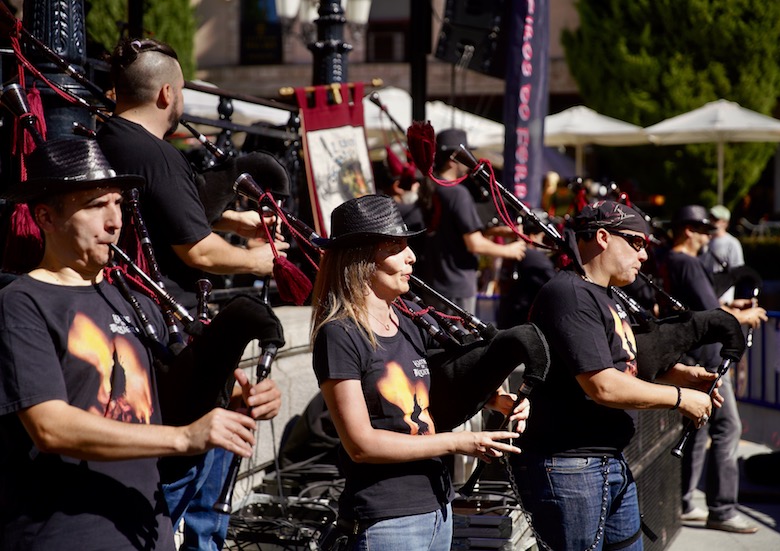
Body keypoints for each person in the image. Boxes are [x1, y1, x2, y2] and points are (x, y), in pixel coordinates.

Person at [0, 138, 279, 550]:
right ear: (45, 216)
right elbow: (51, 427)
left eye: (117, 203)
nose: (115, 221)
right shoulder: (20, 303)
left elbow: (167, 396)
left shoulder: (136, 302)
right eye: (96, 205)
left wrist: (237, 396)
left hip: (148, 532)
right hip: (62, 534)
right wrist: (184, 437)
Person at [95, 37, 288, 550]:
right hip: (161, 336)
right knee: (181, 495)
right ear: (165, 95)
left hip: (147, 327)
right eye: (181, 92)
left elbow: (170, 207)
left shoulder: (114, 137)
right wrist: (260, 259)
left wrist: (238, 221)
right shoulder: (153, 151)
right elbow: (197, 251)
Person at [310, 194, 529, 550]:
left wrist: (495, 400)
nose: (411, 256)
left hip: (438, 506)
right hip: (386, 519)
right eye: (397, 247)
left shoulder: (409, 322)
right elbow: (361, 445)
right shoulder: (339, 334)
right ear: (364, 258)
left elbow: (428, 396)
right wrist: (459, 442)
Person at [512, 200, 722, 551]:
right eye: (637, 243)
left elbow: (621, 361)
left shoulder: (607, 296)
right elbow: (603, 385)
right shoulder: (569, 294)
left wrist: (680, 375)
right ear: (603, 237)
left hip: (606, 462)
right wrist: (681, 399)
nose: (643, 256)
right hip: (570, 468)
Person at [665, 204, 767, 534]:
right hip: (706, 362)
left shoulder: (672, 261)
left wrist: (731, 307)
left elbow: (703, 307)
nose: (708, 238)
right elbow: (711, 315)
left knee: (700, 429)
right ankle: (722, 509)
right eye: (704, 231)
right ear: (689, 231)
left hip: (692, 356)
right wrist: (744, 316)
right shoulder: (687, 262)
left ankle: (685, 501)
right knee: (728, 427)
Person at [423, 128, 526, 315]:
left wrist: (498, 232)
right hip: (457, 285)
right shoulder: (458, 194)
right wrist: (509, 251)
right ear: (455, 158)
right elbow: (473, 243)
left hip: (434, 283)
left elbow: (454, 232)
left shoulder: (432, 188)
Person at [700, 204, 745, 305]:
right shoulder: (704, 240)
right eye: (710, 218)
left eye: (716, 219)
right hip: (704, 296)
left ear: (725, 223)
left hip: (723, 299)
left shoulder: (732, 243)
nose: (712, 222)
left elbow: (738, 272)